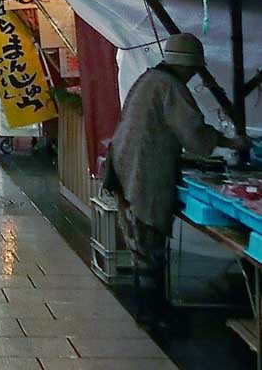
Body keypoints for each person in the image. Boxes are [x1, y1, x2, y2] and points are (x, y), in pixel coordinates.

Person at [106, 33, 250, 327]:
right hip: (143, 174)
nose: (196, 74)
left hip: (126, 168)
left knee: (141, 245)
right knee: (149, 245)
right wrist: (233, 143)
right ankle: (152, 315)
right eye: (195, 68)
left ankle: (150, 310)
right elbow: (194, 134)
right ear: (189, 65)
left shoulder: (150, 79)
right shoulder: (169, 86)